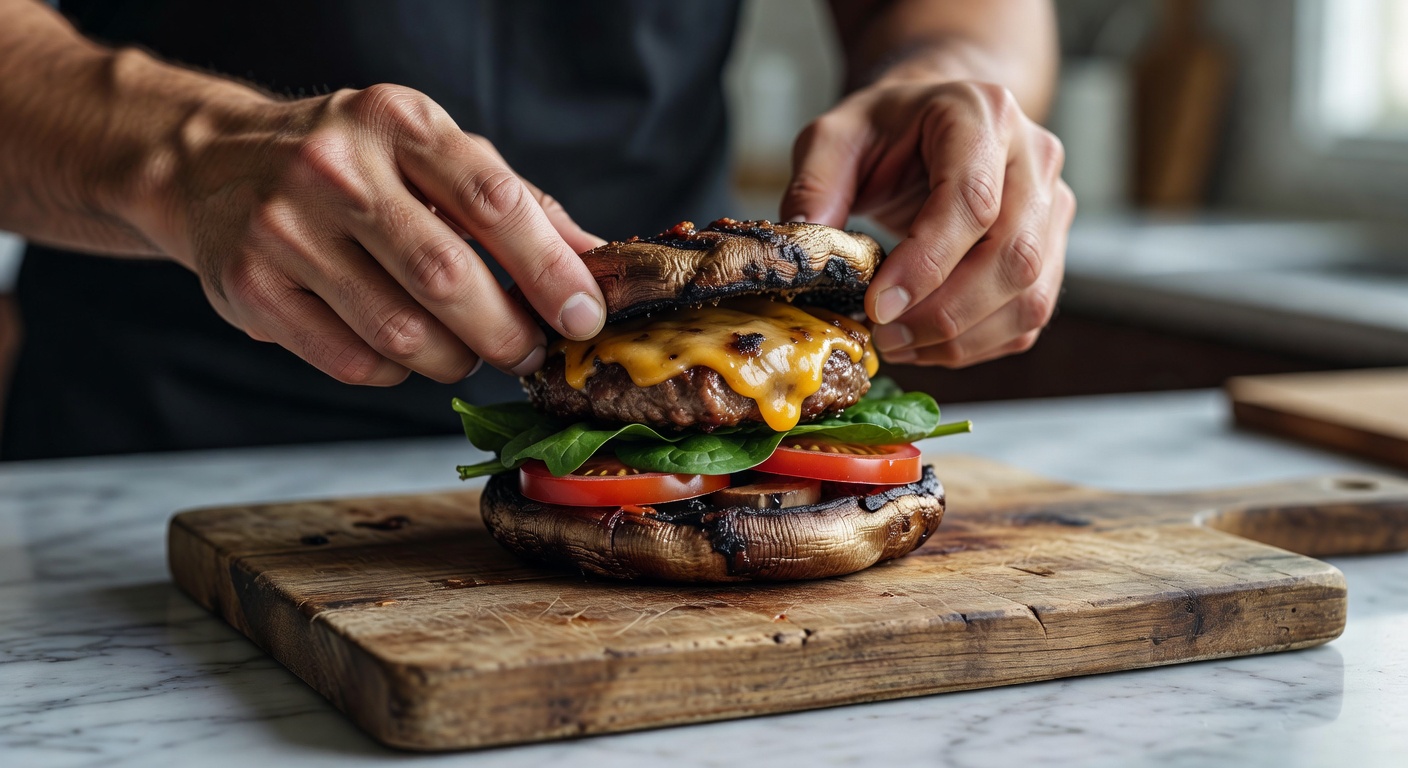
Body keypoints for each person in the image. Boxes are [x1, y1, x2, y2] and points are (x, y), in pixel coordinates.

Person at [0, 0, 1072, 460]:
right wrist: (185, 152)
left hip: (710, 365)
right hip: (159, 437)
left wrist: (953, 81)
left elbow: (963, 15)